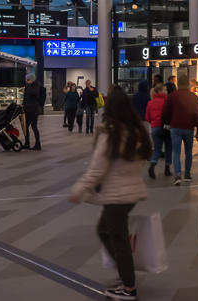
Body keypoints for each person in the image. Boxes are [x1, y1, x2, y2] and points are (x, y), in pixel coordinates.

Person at [69, 86, 151, 300]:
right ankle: (125, 276)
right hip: (130, 192)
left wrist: (79, 189)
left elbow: (97, 169)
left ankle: (128, 287)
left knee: (117, 237)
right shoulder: (135, 130)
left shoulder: (111, 133)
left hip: (117, 195)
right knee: (105, 230)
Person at [162, 73, 198, 184]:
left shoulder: (172, 96)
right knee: (189, 152)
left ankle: (178, 175)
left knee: (176, 152)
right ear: (188, 84)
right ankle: (187, 175)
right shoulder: (193, 97)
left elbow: (165, 112)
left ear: (178, 84)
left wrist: (167, 122)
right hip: (189, 128)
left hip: (175, 127)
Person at [144, 84, 172, 179]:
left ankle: (152, 165)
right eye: (164, 90)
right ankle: (167, 169)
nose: (166, 91)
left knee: (157, 149)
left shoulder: (150, 102)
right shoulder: (167, 101)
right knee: (168, 147)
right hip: (166, 127)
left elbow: (147, 117)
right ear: (160, 91)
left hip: (155, 127)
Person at [22, 74, 44, 151]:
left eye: (28, 80)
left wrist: (29, 85)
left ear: (31, 79)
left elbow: (35, 93)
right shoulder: (28, 86)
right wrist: (23, 105)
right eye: (26, 80)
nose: (26, 81)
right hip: (27, 109)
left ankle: (38, 144)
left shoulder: (36, 85)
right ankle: (27, 143)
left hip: (34, 110)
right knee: (25, 127)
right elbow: (25, 97)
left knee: (34, 127)